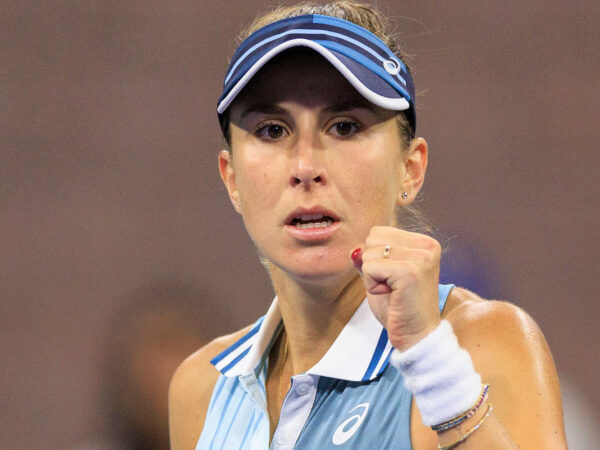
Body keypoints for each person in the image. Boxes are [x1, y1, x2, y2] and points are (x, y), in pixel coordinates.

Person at [169, 2, 566, 449]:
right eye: (272, 130)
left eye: (344, 126)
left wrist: (429, 358)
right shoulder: (200, 389)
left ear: (410, 169)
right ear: (232, 178)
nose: (305, 166)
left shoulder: (480, 345)